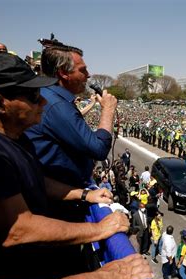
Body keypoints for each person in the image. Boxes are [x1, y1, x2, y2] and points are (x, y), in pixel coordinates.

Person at [0, 53, 151, 279]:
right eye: (33, 96)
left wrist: (83, 194)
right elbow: (18, 229)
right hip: (9, 274)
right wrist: (98, 231)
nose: (44, 103)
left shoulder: (13, 135)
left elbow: (38, 181)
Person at [25, 44, 117, 189]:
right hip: (59, 198)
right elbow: (99, 149)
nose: (88, 75)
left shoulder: (51, 96)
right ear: (64, 73)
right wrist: (108, 110)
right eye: (82, 70)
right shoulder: (57, 105)